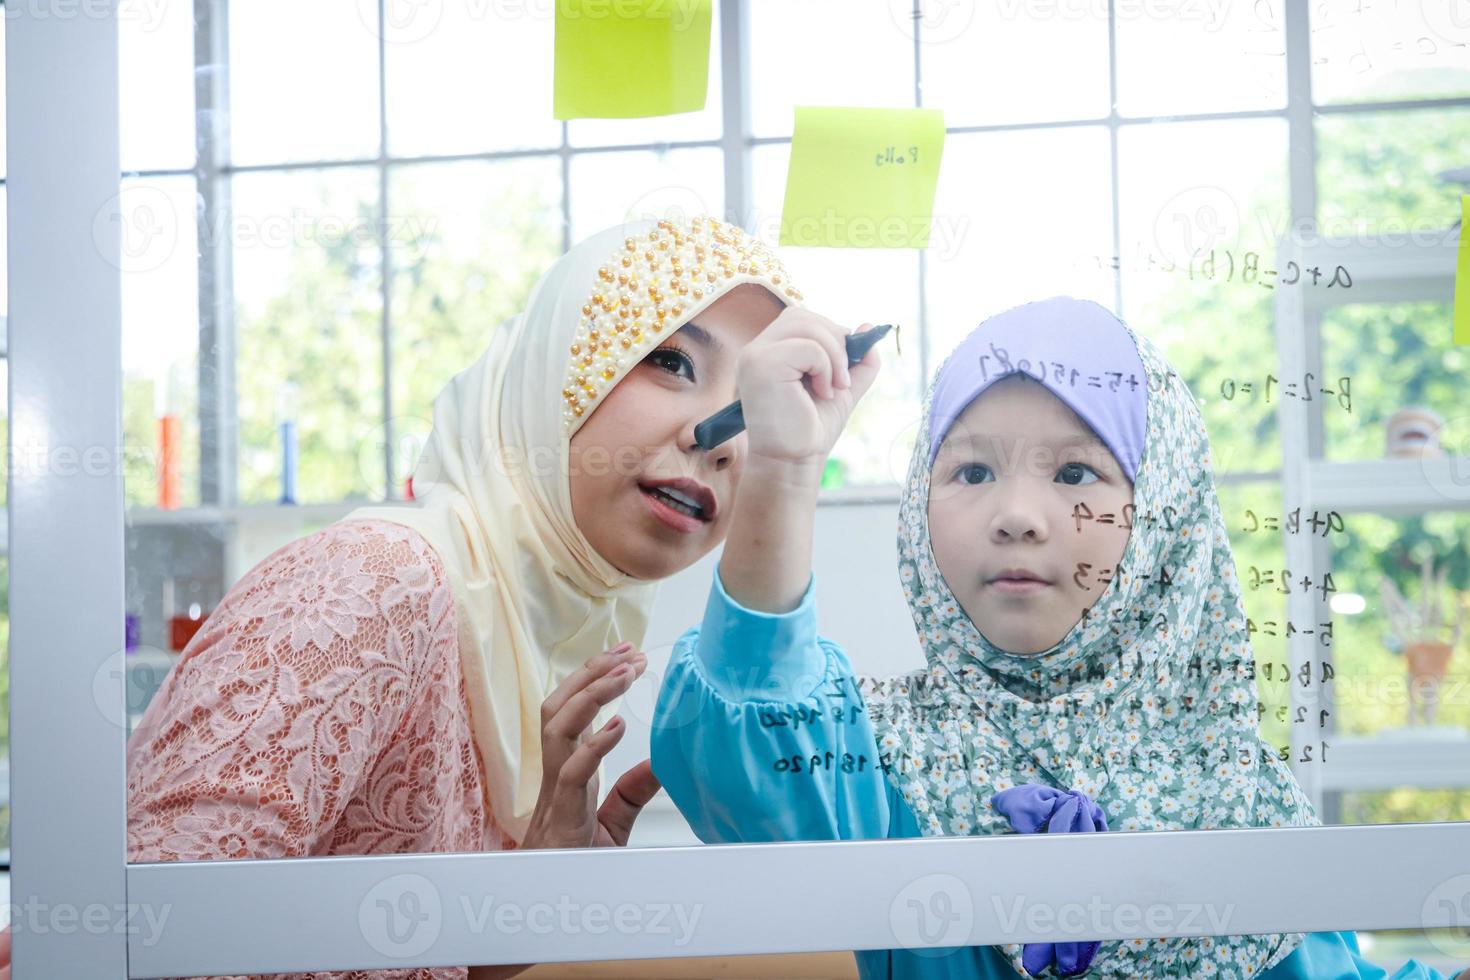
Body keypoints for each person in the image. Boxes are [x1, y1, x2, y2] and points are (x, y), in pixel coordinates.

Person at [0, 214, 808, 980]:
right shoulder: (377, 582)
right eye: (671, 361)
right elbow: (130, 943)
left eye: (755, 407)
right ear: (555, 370)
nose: (722, 436)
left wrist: (537, 892)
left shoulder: (568, 635)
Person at [650, 295, 1468, 979]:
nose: (1015, 516)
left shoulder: (1235, 794)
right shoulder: (873, 754)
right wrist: (786, 469)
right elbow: (745, 750)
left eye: (1075, 474)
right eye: (970, 472)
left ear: (1164, 519)